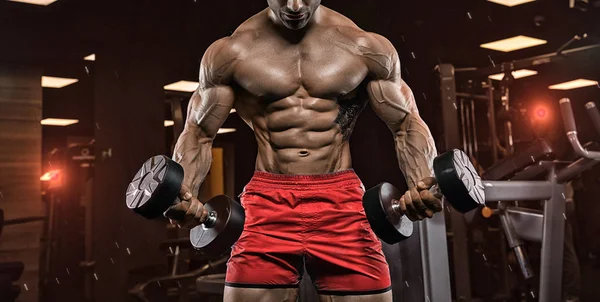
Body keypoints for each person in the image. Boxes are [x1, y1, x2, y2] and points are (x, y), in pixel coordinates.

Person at [165, 1, 443, 301]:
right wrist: (184, 190)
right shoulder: (231, 52)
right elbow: (198, 131)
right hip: (267, 201)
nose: (295, 6)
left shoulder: (364, 46)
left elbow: (405, 122)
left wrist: (422, 182)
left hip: (342, 201)